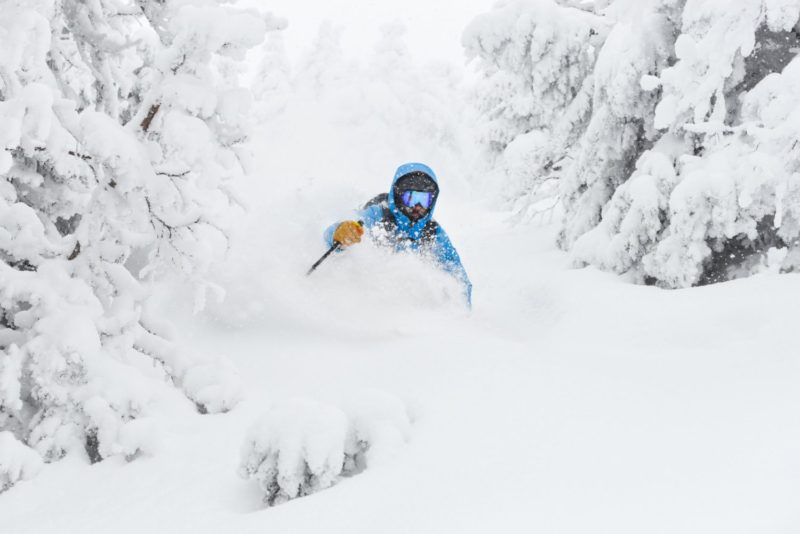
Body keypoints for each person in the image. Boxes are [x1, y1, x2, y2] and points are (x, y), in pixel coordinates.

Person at [324, 162, 472, 306]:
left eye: (424, 200)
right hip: (364, 300)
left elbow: (458, 278)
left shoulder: (432, 232)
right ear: (398, 196)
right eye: (411, 198)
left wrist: (459, 314)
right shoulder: (378, 215)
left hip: (408, 311)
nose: (417, 206)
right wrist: (340, 232)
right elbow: (347, 225)